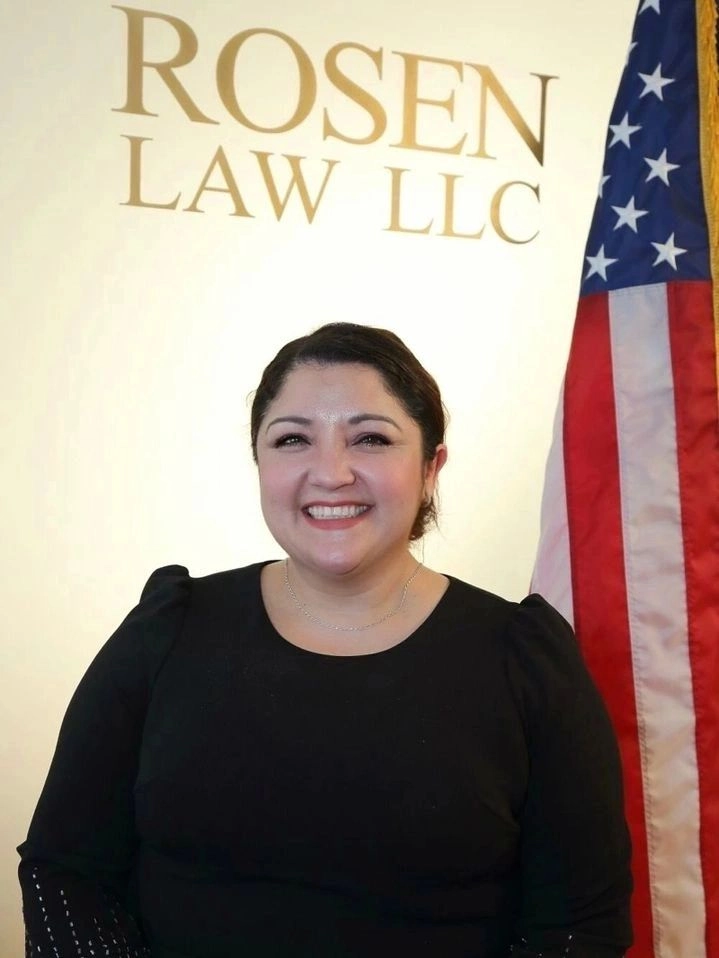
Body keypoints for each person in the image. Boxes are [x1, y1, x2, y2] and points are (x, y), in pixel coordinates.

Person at [18, 322, 633, 958]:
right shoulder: (168, 629)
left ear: (431, 467)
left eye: (370, 438)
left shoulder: (526, 659)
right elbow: (66, 870)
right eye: (292, 440)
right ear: (260, 463)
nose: (330, 473)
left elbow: (579, 926)